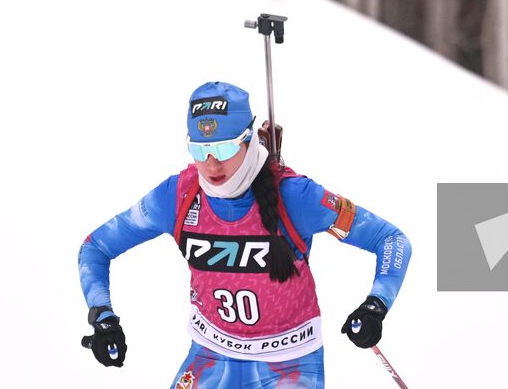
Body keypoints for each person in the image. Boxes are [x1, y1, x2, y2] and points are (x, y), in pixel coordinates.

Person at [77, 81, 412, 388]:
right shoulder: (177, 196)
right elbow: (95, 247)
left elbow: (391, 240)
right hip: (210, 356)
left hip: (289, 363)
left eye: (223, 149)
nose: (211, 164)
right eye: (199, 150)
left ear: (248, 141)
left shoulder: (296, 196)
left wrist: (375, 306)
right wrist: (103, 317)